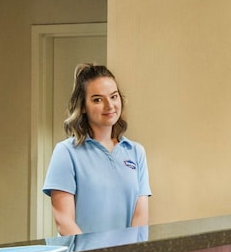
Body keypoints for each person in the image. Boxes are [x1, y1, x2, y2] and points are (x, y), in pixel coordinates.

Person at [42, 63, 151, 235]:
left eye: (113, 96)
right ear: (83, 106)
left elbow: (140, 218)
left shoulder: (136, 152)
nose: (109, 105)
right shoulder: (66, 152)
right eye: (97, 99)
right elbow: (64, 221)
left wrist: (131, 251)